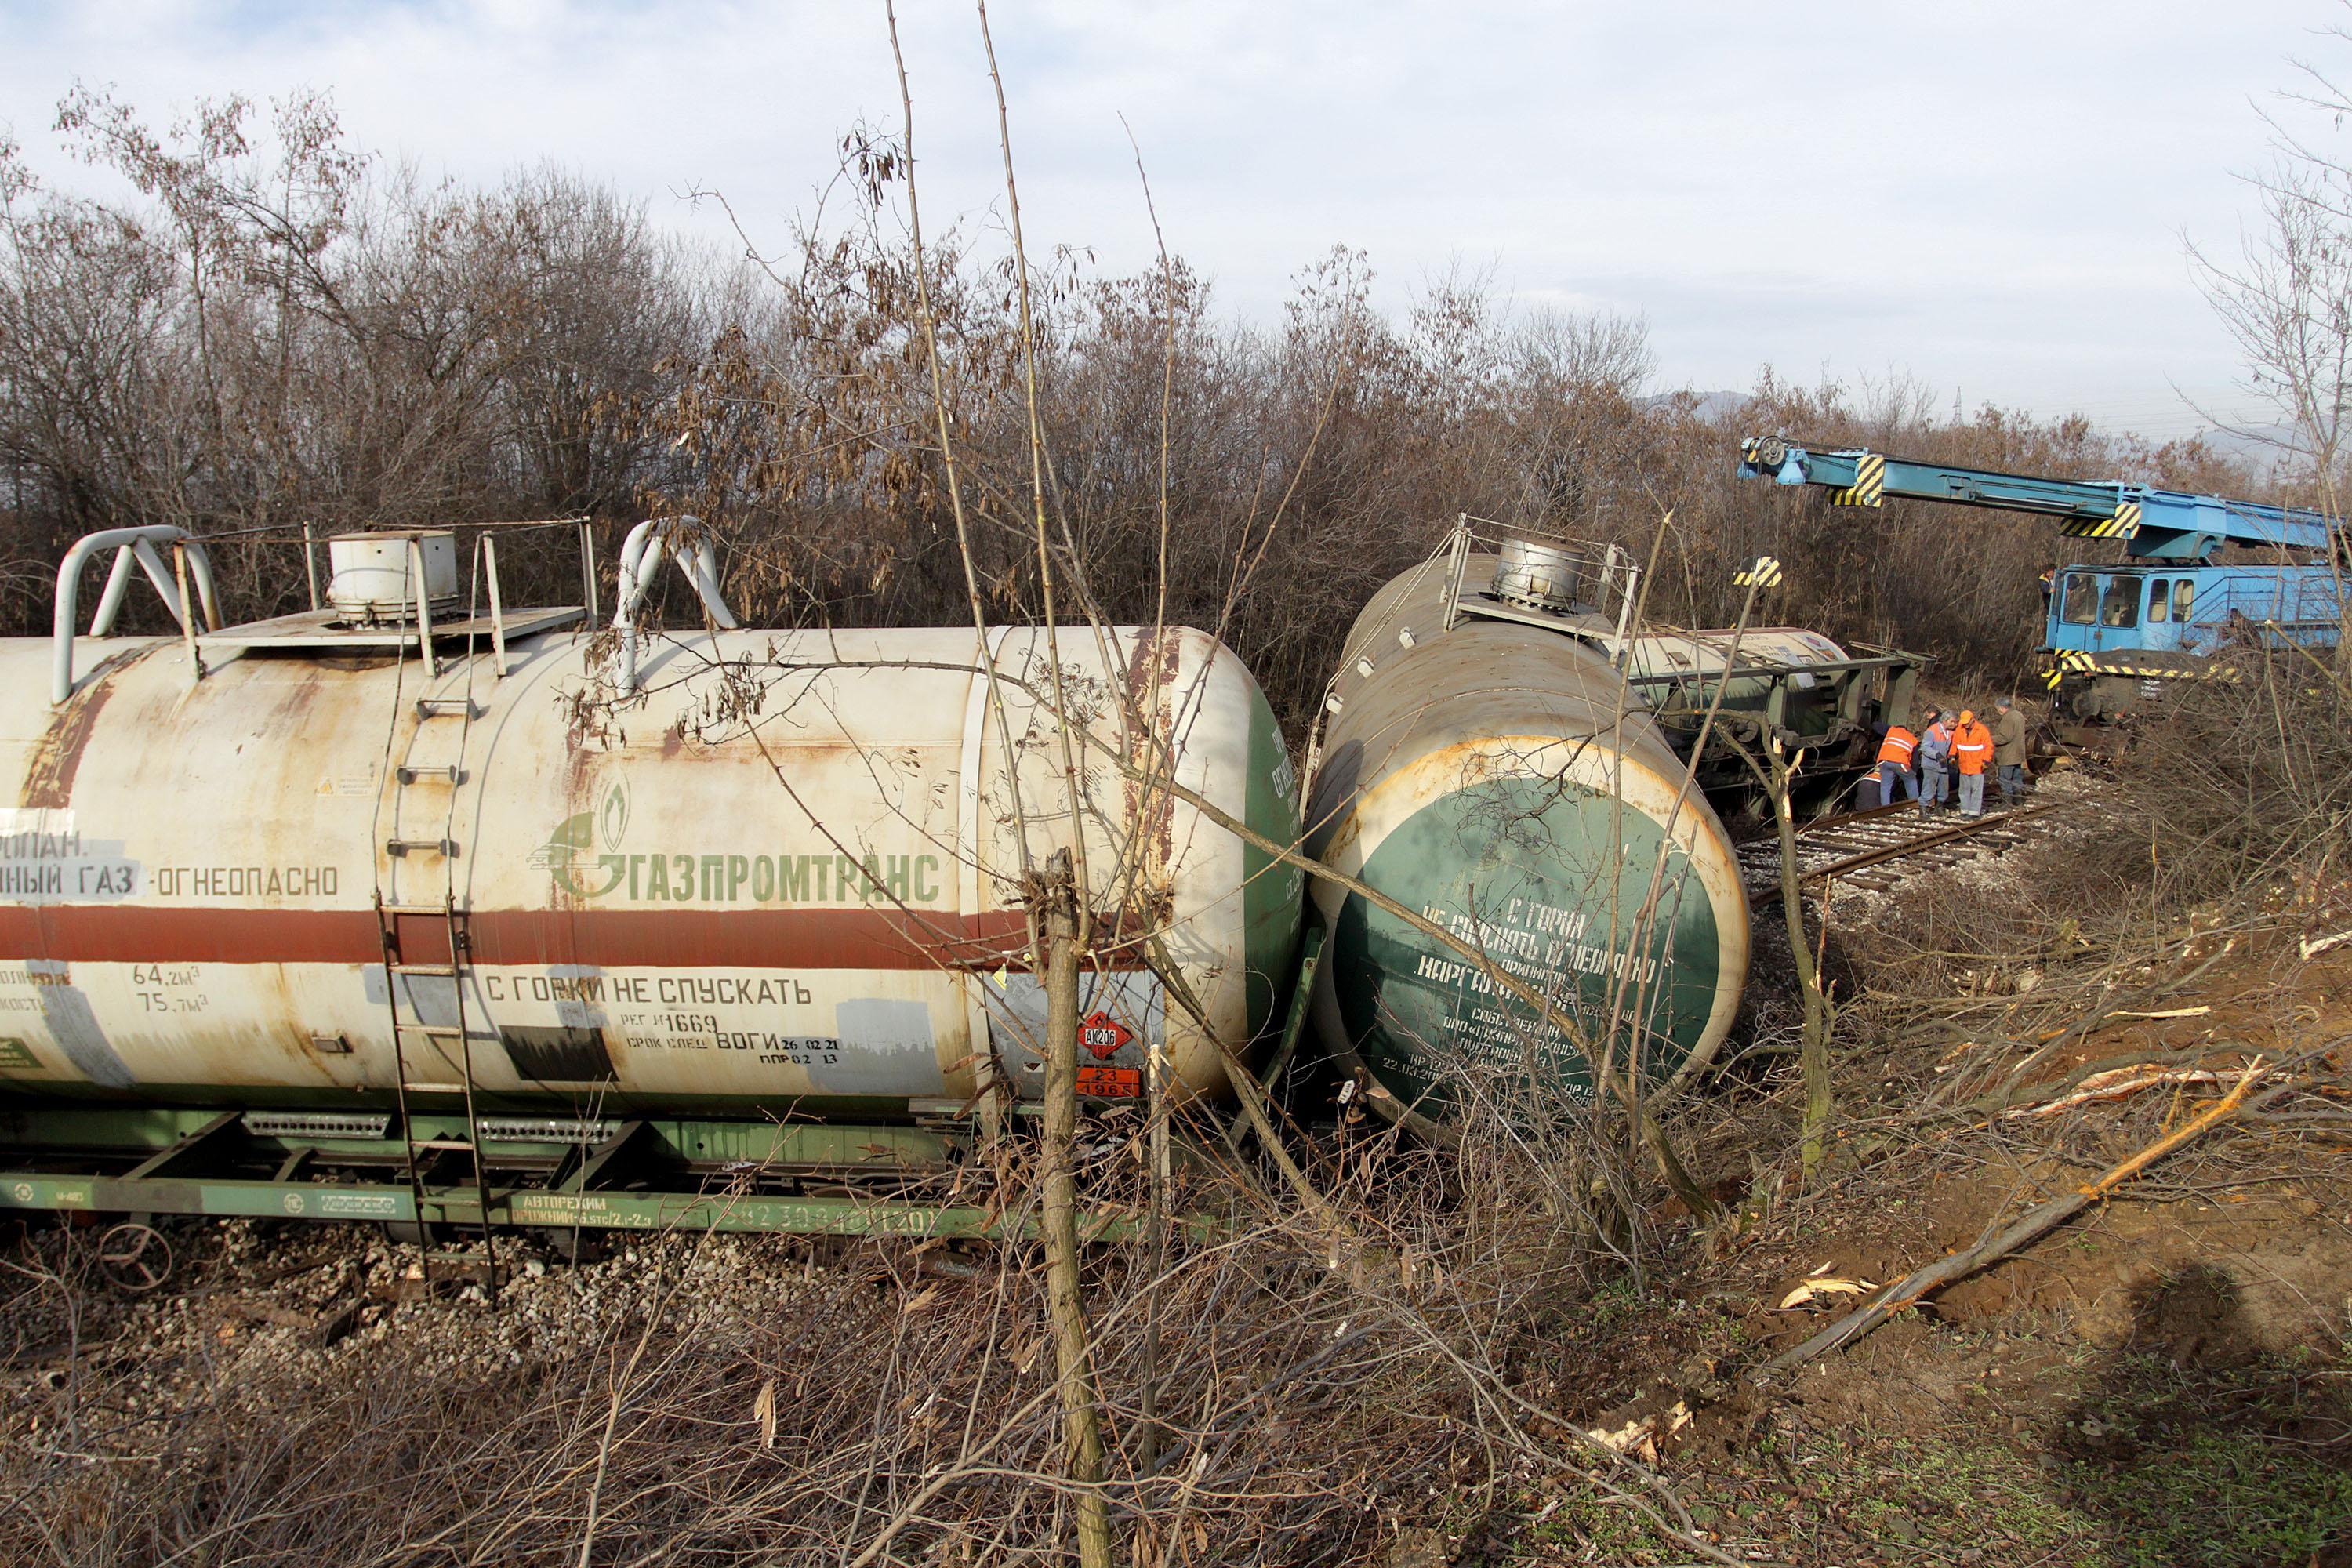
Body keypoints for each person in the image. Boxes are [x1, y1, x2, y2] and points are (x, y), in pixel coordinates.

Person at [1949, 707, 1994, 818]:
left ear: (1972, 720)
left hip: (1977, 766)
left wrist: (1986, 761)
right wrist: (1952, 755)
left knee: (1976, 790)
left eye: (1967, 723)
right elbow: (1955, 744)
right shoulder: (1959, 730)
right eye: (1963, 723)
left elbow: (1989, 747)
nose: (1965, 725)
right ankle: (1964, 811)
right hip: (1964, 765)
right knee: (1964, 790)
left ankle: (1974, 813)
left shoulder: (1982, 731)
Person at [1991, 695, 2028, 806]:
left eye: (1998, 709)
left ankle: (2007, 803)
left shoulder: (2008, 718)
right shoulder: (2018, 715)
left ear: (2002, 707)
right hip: (2018, 754)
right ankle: (2019, 800)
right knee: (2016, 778)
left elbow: (2005, 737)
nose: (1998, 712)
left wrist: (1989, 739)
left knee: (2005, 779)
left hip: (2008, 755)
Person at [1916, 707, 1952, 817]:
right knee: (1929, 787)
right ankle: (1923, 809)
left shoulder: (1951, 732)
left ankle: (1939, 807)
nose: (1955, 724)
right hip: (1931, 764)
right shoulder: (1932, 730)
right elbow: (1925, 747)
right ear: (1945, 721)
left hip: (1943, 765)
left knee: (1944, 788)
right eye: (1953, 722)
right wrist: (1937, 755)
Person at [1875, 718, 1920, 806]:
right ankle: (1915, 804)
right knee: (1911, 780)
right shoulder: (1912, 738)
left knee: (1885, 786)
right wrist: (1914, 772)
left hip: (1885, 762)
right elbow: (1915, 760)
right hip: (1901, 763)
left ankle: (1885, 807)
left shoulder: (1891, 730)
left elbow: (1876, 724)